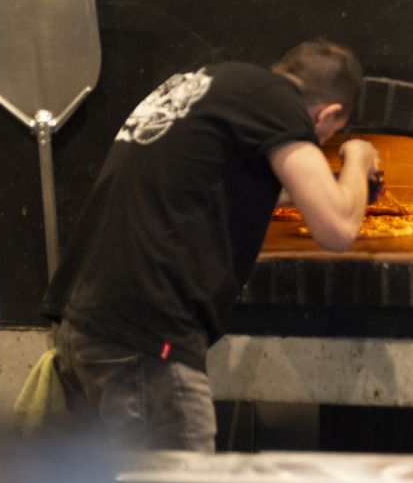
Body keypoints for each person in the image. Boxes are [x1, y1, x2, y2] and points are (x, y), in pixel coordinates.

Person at [42, 39, 379, 451]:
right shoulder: (279, 103)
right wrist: (357, 157)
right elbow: (337, 230)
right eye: (327, 135)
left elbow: (226, 188)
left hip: (89, 321)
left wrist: (341, 188)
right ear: (328, 113)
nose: (322, 141)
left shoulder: (215, 86)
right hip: (144, 337)